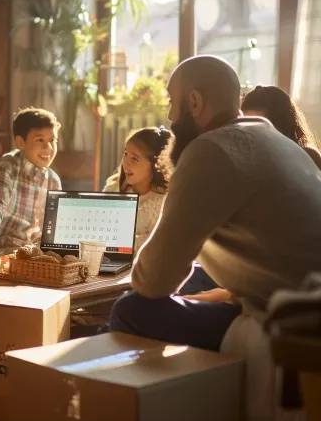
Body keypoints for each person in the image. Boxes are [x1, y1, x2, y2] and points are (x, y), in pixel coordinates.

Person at [109, 55, 321, 352]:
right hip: (302, 300)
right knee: (193, 278)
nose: (170, 116)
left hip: (295, 317)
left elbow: (151, 282)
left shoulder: (211, 149)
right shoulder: (271, 136)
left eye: (171, 101)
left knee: (131, 309)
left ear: (194, 102)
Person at [103, 125, 214, 296]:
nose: (126, 163)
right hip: (107, 268)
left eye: (135, 159)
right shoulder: (113, 189)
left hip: (142, 277)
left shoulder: (164, 200)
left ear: (155, 164)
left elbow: (155, 253)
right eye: (125, 154)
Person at [0, 107, 61, 263]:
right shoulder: (8, 165)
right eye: (40, 140)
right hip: (1, 249)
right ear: (21, 142)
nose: (48, 147)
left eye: (52, 141)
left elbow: (51, 229)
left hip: (33, 252)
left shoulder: (53, 180)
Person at [241, 85, 321, 170]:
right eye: (248, 125)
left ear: (284, 124)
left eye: (263, 127)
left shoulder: (307, 157)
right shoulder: (242, 158)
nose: (253, 135)